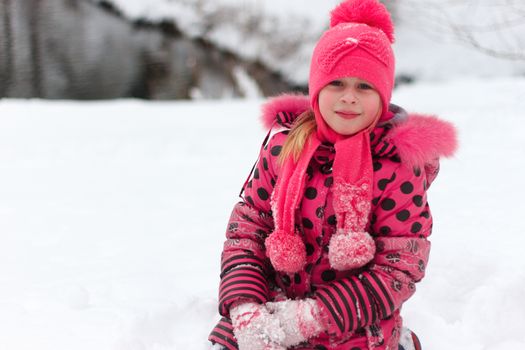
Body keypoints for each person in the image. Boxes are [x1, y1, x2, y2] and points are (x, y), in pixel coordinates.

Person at [208, 0, 457, 349]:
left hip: (352, 316)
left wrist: (312, 317)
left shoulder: (397, 167)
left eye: (364, 87)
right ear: (316, 89)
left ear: (383, 95)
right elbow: (247, 229)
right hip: (273, 302)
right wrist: (246, 306)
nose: (349, 98)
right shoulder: (283, 147)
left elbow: (400, 265)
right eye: (337, 83)